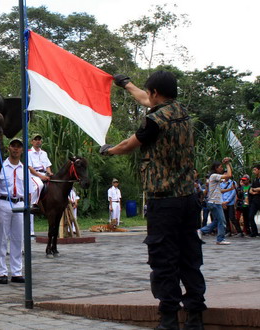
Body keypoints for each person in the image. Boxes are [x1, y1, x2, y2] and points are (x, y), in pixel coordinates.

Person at [101, 71, 206, 329]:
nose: (147, 96)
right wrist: (126, 85)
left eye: (149, 92)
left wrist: (109, 150)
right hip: (188, 199)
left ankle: (168, 320)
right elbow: (144, 98)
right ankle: (195, 318)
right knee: (190, 258)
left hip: (164, 202)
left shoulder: (155, 121)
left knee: (164, 262)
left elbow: (128, 145)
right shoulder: (181, 111)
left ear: (156, 93)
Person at [0, 138, 29, 284]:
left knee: (18, 239)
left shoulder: (24, 168)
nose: (16, 149)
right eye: (13, 146)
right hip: (4, 202)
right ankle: (2, 272)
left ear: (22, 150)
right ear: (9, 148)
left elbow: (28, 190)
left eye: (19, 147)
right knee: (2, 238)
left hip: (20, 203)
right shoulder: (1, 166)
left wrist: (28, 206)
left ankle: (17, 272)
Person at [199, 159, 233, 245]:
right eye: (221, 167)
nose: (222, 168)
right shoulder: (214, 175)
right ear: (216, 168)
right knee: (222, 221)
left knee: (217, 221)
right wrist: (228, 164)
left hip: (214, 202)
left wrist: (230, 189)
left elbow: (218, 190)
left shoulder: (214, 177)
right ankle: (220, 239)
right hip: (214, 202)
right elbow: (229, 175)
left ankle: (200, 231)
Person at [27, 133, 52, 235]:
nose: (38, 141)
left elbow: (48, 166)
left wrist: (50, 173)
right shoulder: (29, 153)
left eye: (39, 139)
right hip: (33, 175)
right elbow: (30, 168)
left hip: (44, 173)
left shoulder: (44, 153)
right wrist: (41, 177)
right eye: (35, 139)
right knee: (40, 185)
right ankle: (34, 204)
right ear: (32, 141)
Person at [247, 164, 260, 237]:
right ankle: (254, 232)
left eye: (255, 170)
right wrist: (256, 190)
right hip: (255, 201)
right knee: (251, 216)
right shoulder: (255, 179)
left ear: (259, 170)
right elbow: (250, 190)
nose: (254, 171)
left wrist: (255, 190)